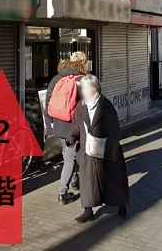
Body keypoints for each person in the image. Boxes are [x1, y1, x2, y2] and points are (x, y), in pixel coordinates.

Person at [66, 74, 130, 223]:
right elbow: (76, 124)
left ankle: (121, 204)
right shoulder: (81, 106)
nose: (81, 91)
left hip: (106, 150)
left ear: (93, 89)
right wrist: (71, 137)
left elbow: (115, 130)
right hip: (87, 151)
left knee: (113, 180)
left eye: (84, 88)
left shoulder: (106, 106)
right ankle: (88, 211)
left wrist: (109, 151)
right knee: (88, 181)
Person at [46, 53, 87, 205]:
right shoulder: (82, 80)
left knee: (69, 153)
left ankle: (75, 181)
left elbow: (48, 102)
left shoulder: (57, 78)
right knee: (70, 158)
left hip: (59, 124)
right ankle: (62, 193)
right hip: (75, 125)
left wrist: (49, 124)